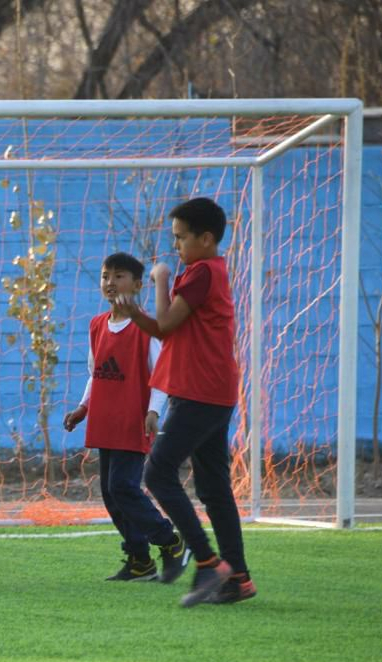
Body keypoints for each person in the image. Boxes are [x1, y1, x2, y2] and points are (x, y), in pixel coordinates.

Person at [115, 197, 255, 607]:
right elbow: (163, 329)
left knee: (157, 472)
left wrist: (159, 279)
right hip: (214, 390)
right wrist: (136, 313)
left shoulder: (199, 273)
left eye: (180, 238)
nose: (174, 246)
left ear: (206, 238)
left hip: (200, 392)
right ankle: (238, 578)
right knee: (213, 487)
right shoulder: (209, 270)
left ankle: (209, 563)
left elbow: (164, 325)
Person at [64, 252, 190, 583]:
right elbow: (96, 373)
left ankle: (172, 541)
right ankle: (139, 561)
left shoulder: (145, 328)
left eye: (119, 276)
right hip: (104, 419)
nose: (110, 282)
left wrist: (153, 411)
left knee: (123, 487)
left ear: (136, 285)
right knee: (110, 492)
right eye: (106, 276)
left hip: (133, 420)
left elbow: (160, 375)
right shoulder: (96, 325)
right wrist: (82, 407)